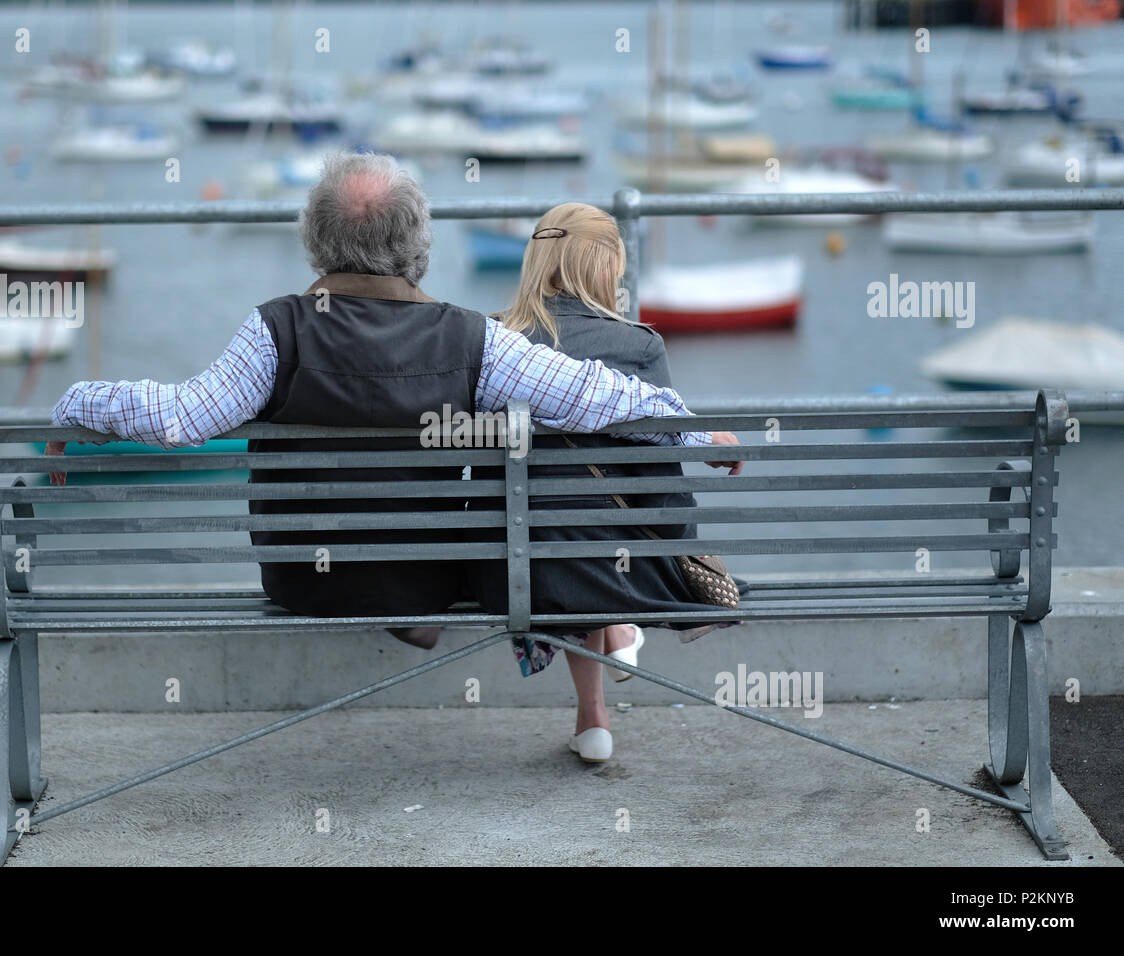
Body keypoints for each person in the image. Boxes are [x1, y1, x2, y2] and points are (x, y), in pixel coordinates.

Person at [44, 153, 722, 643]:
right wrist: (694, 436)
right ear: (416, 240)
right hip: (424, 582)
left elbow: (178, 419)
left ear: (317, 237)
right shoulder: (471, 339)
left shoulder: (275, 330)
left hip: (301, 583)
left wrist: (76, 400)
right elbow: (594, 397)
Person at [467, 201, 744, 763]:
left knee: (562, 534)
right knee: (597, 535)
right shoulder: (637, 346)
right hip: (609, 564)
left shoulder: (492, 341)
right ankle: (617, 624)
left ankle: (593, 714)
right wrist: (685, 558)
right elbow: (660, 487)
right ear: (606, 265)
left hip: (512, 569)